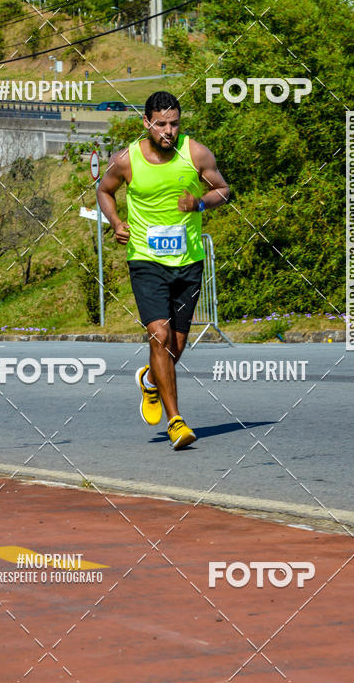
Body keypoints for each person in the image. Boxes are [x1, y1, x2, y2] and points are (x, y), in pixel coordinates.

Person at [97, 91, 230, 449]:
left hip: (187, 262)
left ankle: (152, 380)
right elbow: (104, 190)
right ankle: (176, 421)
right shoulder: (126, 160)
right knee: (159, 335)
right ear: (147, 123)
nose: (168, 131)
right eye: (161, 124)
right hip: (145, 259)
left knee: (177, 345)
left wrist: (200, 202)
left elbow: (224, 189)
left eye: (174, 123)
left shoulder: (196, 153)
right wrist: (115, 221)